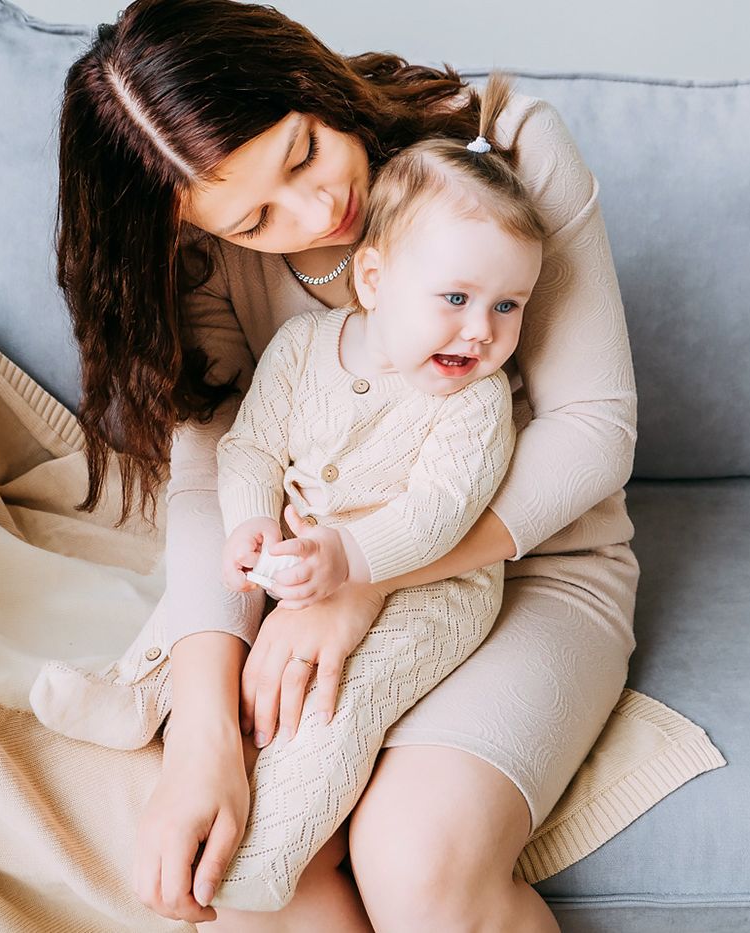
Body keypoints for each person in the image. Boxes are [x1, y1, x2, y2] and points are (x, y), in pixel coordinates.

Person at [55, 0, 639, 929]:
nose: (319, 208)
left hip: (530, 568)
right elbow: (215, 471)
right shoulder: (203, 252)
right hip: (310, 580)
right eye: (257, 218)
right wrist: (205, 739)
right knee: (243, 868)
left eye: (304, 152)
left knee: (416, 862)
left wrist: (368, 574)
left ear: (309, 80)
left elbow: (593, 431)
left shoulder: (508, 146)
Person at [208, 105, 544, 907]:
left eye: (509, 306)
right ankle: (127, 695)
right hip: (313, 562)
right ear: (373, 279)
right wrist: (250, 521)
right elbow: (248, 445)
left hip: (434, 588)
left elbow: (439, 513)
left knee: (338, 700)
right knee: (227, 651)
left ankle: (267, 859)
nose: (482, 331)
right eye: (458, 297)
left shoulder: (475, 401)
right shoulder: (300, 350)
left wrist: (352, 566)